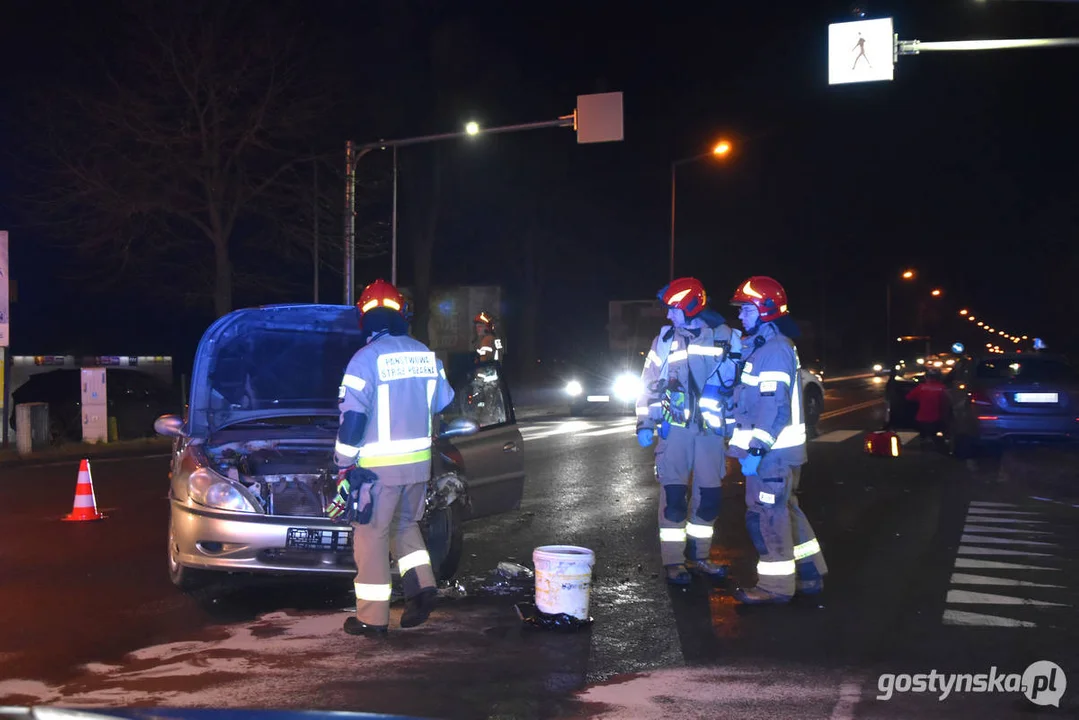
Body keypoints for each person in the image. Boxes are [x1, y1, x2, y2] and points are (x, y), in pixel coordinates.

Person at [327, 279, 456, 637]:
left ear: (364, 319)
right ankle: (422, 588)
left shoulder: (364, 360)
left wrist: (342, 463)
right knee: (404, 526)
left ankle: (372, 618)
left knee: (370, 538)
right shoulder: (424, 354)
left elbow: (353, 420)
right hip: (417, 467)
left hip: (376, 473)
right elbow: (444, 401)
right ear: (403, 315)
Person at [726, 276, 827, 604]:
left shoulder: (774, 350)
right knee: (786, 511)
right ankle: (811, 574)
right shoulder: (764, 347)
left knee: (766, 517)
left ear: (765, 310)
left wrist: (756, 448)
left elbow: (774, 407)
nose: (740, 316)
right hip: (776, 453)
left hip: (772, 454)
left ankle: (775, 588)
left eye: (746, 309)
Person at [635, 277, 742, 585]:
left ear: (692, 307)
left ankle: (700, 557)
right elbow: (649, 385)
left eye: (674, 309)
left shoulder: (727, 338)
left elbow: (739, 384)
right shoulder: (665, 340)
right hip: (676, 431)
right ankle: (673, 562)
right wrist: (645, 422)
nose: (669, 316)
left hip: (711, 432)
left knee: (709, 498)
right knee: (673, 497)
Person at [905, 368, 947, 448]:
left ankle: (925, 442)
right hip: (938, 419)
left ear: (927, 377)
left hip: (922, 418)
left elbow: (909, 398)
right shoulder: (943, 388)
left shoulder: (921, 387)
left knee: (923, 438)